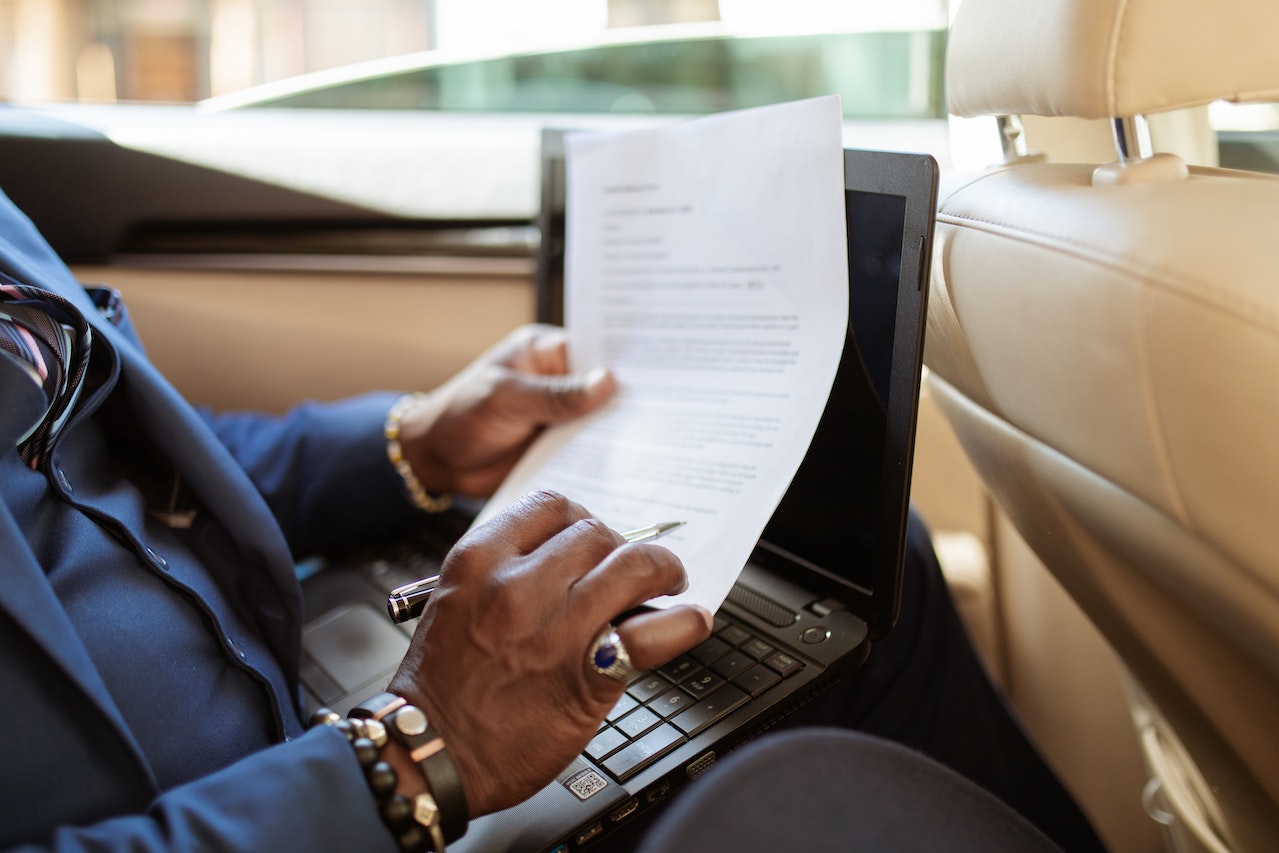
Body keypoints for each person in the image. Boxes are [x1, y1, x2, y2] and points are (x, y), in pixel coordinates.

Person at [0, 184, 1102, 852]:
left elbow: (110, 466)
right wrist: (410, 758)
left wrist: (414, 443)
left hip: (293, 692)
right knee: (804, 796)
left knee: (851, 587)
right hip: (298, 807)